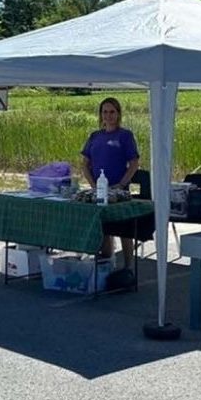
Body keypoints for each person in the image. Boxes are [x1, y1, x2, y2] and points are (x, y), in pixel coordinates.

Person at [81, 97, 140, 271]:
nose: (108, 116)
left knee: (124, 229)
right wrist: (93, 185)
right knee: (104, 228)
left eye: (112, 112)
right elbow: (85, 163)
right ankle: (107, 263)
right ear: (100, 115)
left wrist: (121, 184)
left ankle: (128, 266)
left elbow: (134, 163)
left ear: (118, 114)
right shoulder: (95, 136)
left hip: (118, 191)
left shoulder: (125, 136)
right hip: (99, 190)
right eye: (105, 112)